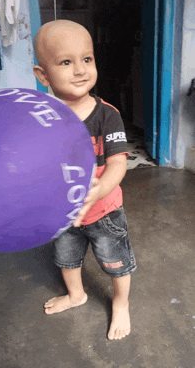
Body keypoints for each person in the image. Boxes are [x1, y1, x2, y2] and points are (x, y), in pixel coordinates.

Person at [33, 20, 137, 341]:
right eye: (66, 62)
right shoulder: (43, 115)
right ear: (43, 75)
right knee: (66, 258)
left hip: (104, 209)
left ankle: (120, 302)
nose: (80, 70)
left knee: (115, 262)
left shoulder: (107, 115)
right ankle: (76, 295)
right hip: (63, 213)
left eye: (87, 59)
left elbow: (118, 163)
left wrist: (100, 189)